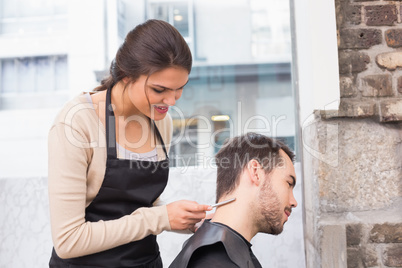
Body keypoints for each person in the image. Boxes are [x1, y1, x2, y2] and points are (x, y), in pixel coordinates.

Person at [48, 19, 212, 268]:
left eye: (179, 89)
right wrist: (160, 218)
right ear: (125, 76)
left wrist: (184, 219)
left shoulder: (161, 122)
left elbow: (143, 205)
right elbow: (68, 241)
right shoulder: (77, 122)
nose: (171, 101)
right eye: (159, 90)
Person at [169, 133, 298, 268]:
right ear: (255, 172)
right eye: (289, 183)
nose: (294, 202)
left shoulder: (212, 245)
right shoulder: (214, 261)